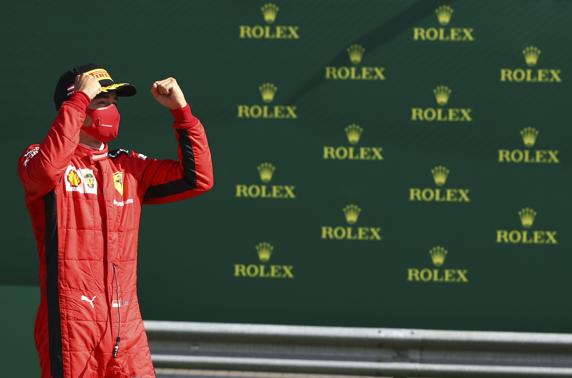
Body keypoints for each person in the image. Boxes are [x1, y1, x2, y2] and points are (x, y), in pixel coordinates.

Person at [18, 64, 214, 378]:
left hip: (127, 324)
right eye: (101, 100)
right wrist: (80, 99)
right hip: (72, 323)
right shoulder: (40, 158)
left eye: (114, 101)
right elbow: (44, 172)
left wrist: (183, 113)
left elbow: (198, 179)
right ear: (75, 106)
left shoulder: (129, 166)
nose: (111, 108)